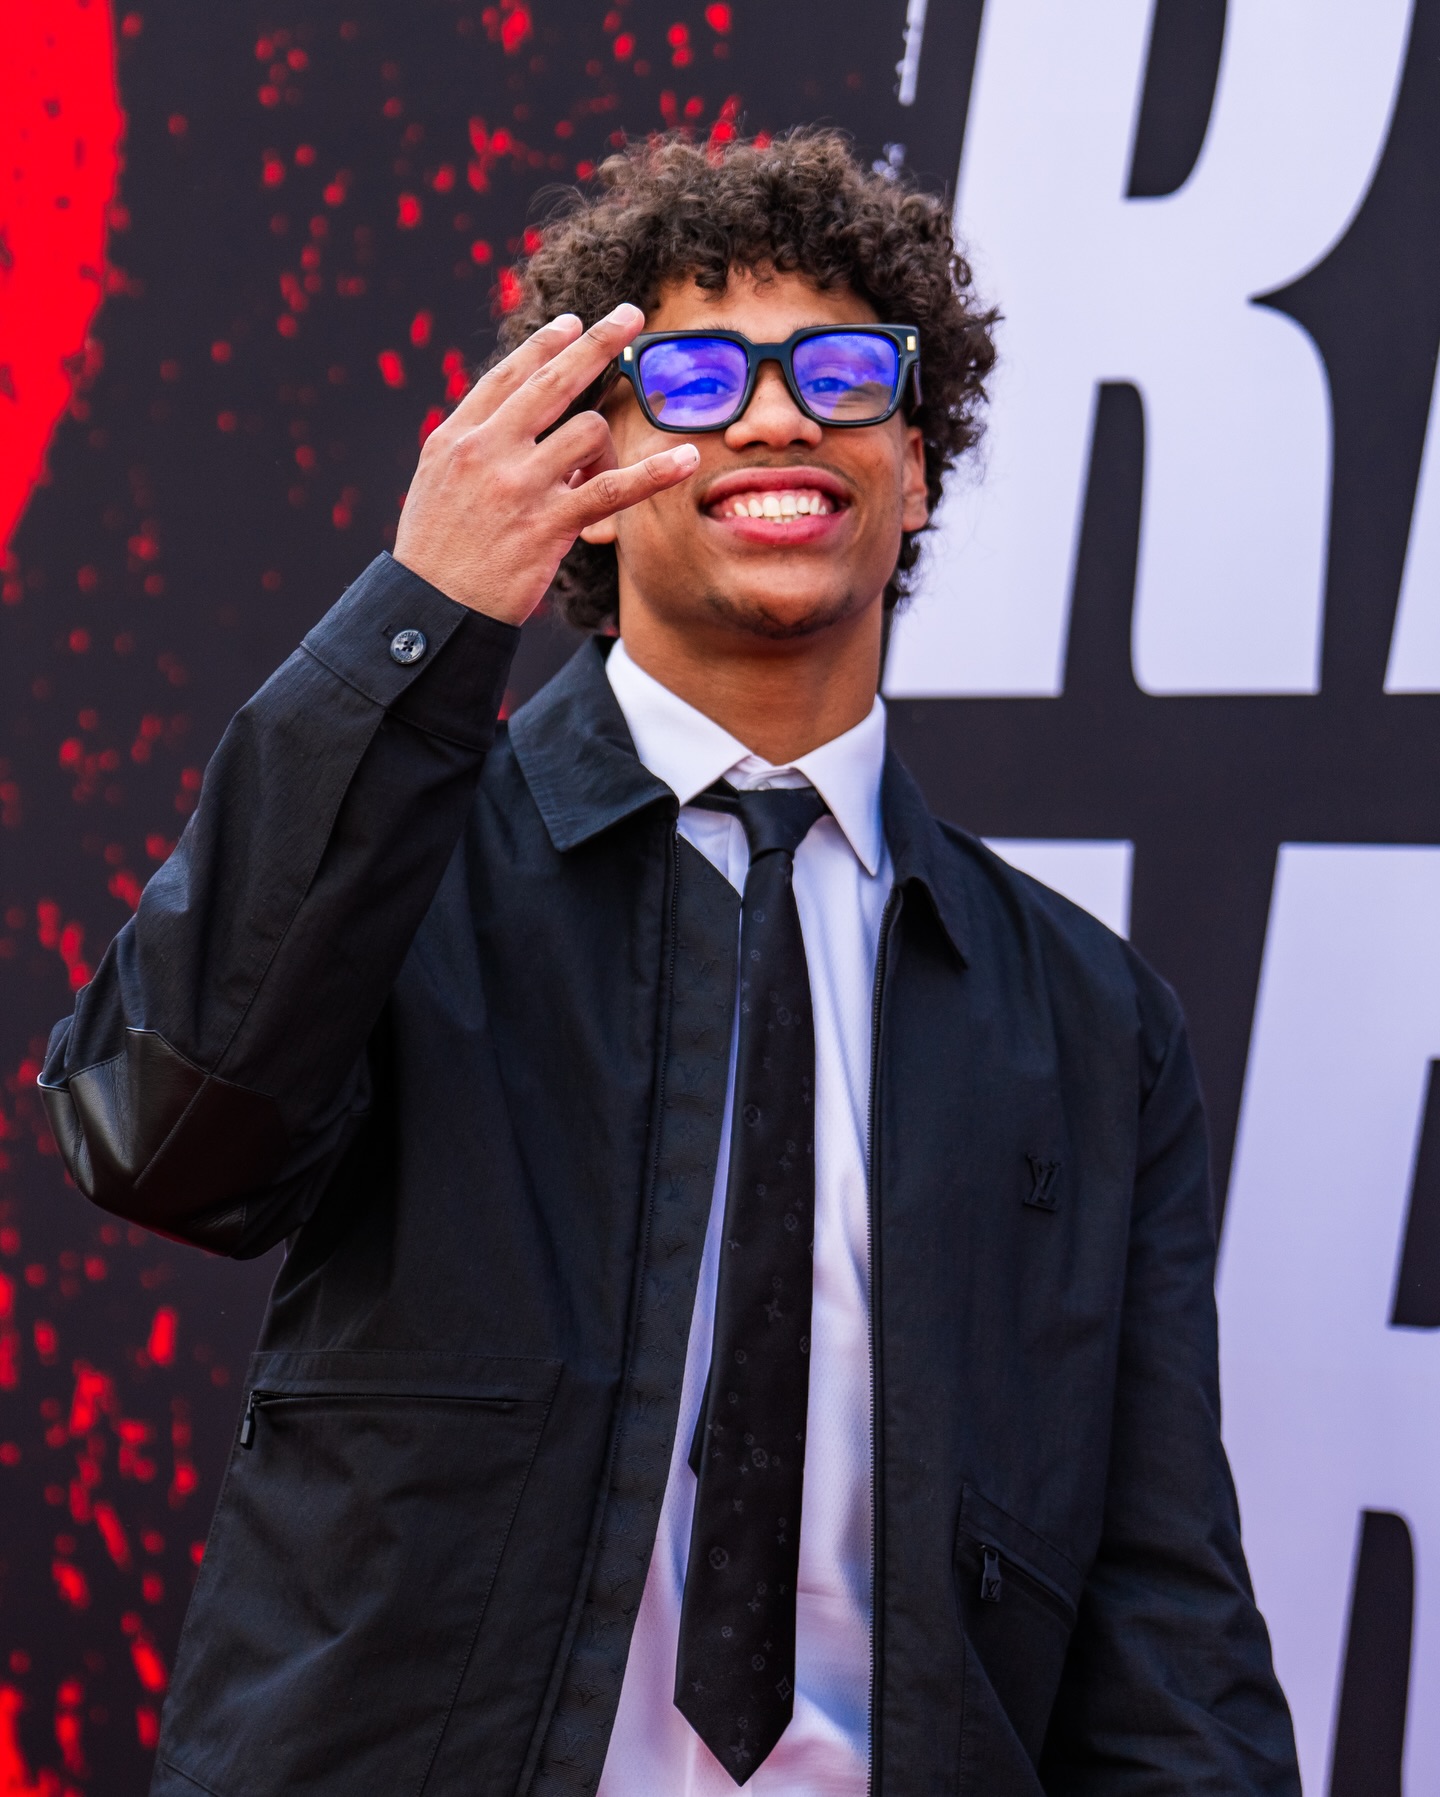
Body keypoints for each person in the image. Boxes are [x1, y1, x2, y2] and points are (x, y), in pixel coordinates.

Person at [40, 131, 1299, 1796]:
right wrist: (412, 618)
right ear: (590, 470)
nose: (778, 417)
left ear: (914, 464)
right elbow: (160, 1134)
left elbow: (1166, 1632)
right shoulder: (400, 867)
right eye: (696, 376)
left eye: (846, 373)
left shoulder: (1086, 1018)